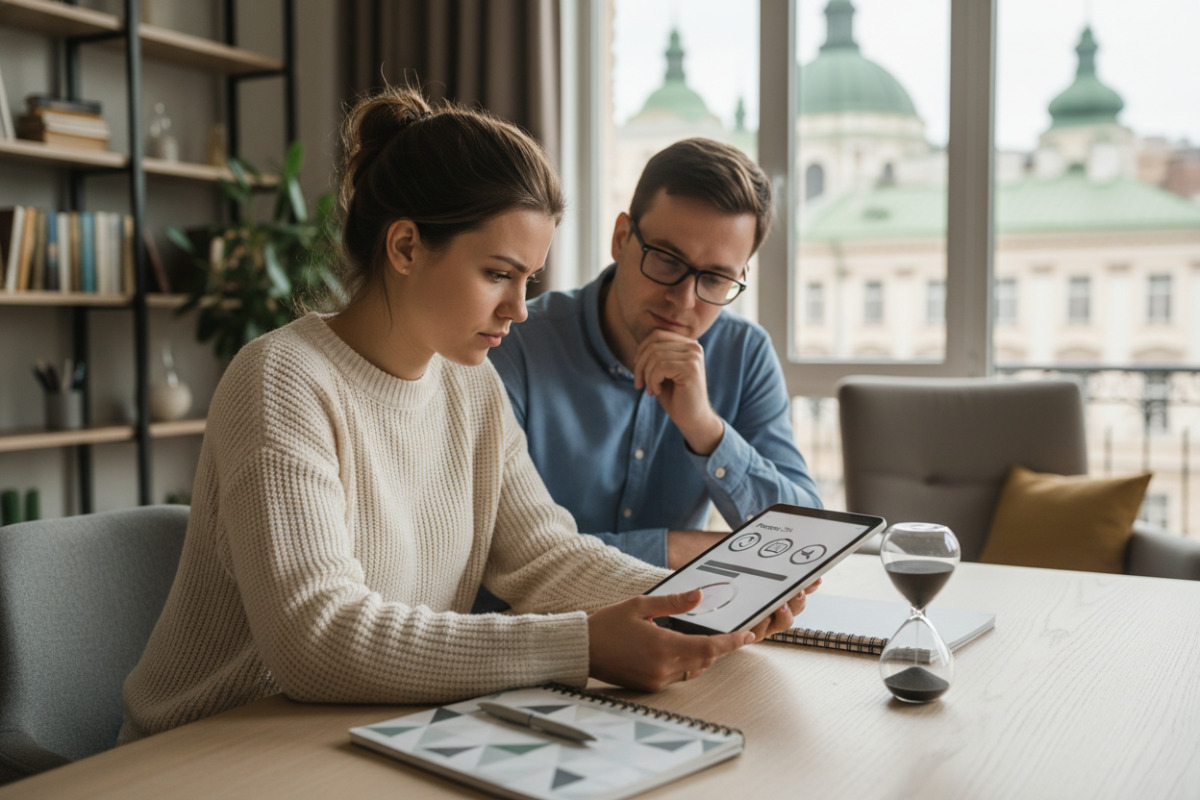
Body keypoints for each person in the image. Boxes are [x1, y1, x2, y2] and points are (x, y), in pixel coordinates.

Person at [119, 89, 811, 744]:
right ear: (405, 247)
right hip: (217, 749)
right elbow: (316, 639)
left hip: (360, 732)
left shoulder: (468, 385)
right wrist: (585, 644)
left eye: (528, 280)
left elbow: (542, 555)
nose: (518, 308)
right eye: (497, 274)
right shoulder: (282, 380)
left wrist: (701, 599)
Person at [488, 137, 822, 576]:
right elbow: (499, 554)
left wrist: (705, 429)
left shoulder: (746, 353)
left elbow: (809, 537)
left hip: (684, 630)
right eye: (667, 260)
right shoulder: (514, 344)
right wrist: (679, 552)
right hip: (545, 633)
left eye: (716, 279)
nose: (683, 300)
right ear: (622, 238)